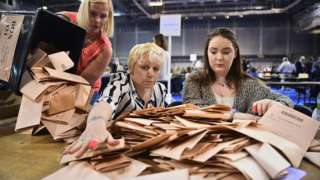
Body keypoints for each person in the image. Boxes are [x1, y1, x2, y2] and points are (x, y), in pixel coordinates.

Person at [63, 43, 167, 157]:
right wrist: (96, 123)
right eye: (144, 67)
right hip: (116, 147)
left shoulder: (160, 90)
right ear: (131, 68)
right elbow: (106, 102)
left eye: (156, 69)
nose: (150, 73)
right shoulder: (120, 83)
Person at [182, 27, 293, 115]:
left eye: (226, 52)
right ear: (207, 53)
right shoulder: (194, 81)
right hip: (204, 141)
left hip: (243, 143)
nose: (219, 57)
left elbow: (286, 101)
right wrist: (236, 116)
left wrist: (275, 104)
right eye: (213, 52)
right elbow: (194, 111)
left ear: (235, 53)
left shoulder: (250, 84)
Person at [57, 0, 114, 92]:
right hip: (57, 79)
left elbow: (82, 83)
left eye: (103, 16)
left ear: (108, 18)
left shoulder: (105, 49)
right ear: (84, 11)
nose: (97, 20)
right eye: (92, 13)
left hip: (84, 90)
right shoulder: (67, 19)